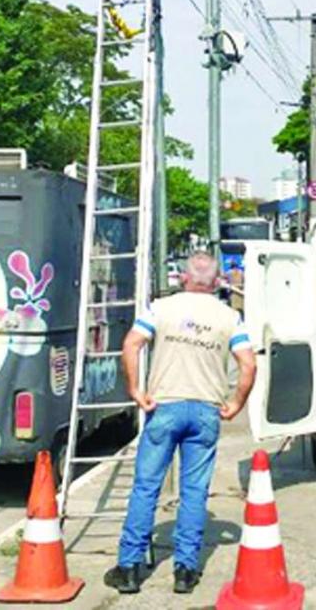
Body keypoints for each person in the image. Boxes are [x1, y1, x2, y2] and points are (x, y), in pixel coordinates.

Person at [105, 251, 257, 596]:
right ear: (217, 282)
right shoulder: (229, 316)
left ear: (183, 278)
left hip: (165, 405)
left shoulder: (162, 308)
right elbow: (248, 364)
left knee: (146, 486)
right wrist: (236, 402)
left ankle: (129, 568)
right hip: (205, 410)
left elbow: (131, 343)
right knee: (194, 491)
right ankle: (186, 571)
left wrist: (135, 389)